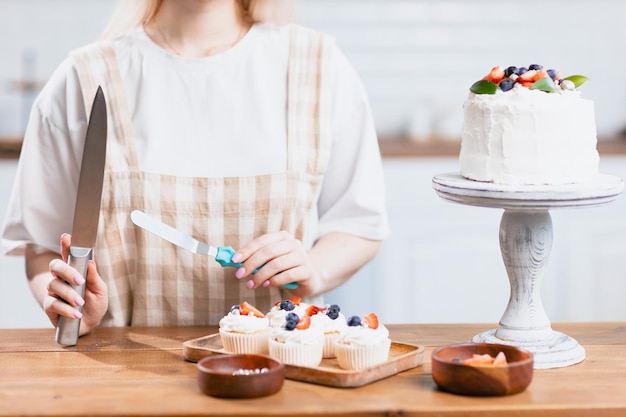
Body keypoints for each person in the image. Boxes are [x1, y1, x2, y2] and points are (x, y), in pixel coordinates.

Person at [1, 0, 389, 337]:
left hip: (281, 371)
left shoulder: (320, 68)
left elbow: (358, 225)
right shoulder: (81, 80)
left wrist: (316, 269)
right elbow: (43, 246)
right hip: (122, 375)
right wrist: (71, 308)